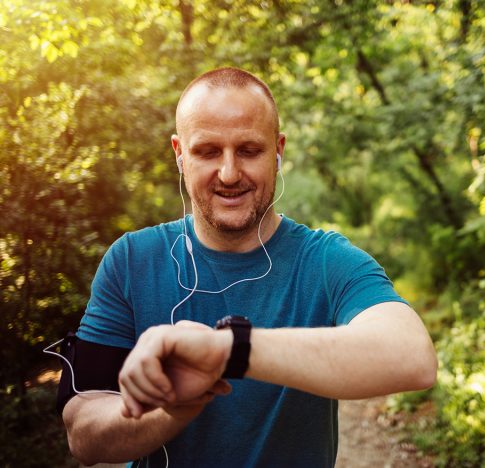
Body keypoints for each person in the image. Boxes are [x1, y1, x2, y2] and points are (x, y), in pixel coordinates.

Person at [59, 67, 437, 467]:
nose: (229, 173)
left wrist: (227, 350)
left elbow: (412, 358)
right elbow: (84, 434)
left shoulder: (328, 262)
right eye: (207, 151)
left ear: (278, 150)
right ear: (179, 153)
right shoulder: (131, 261)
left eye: (249, 150)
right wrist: (171, 409)